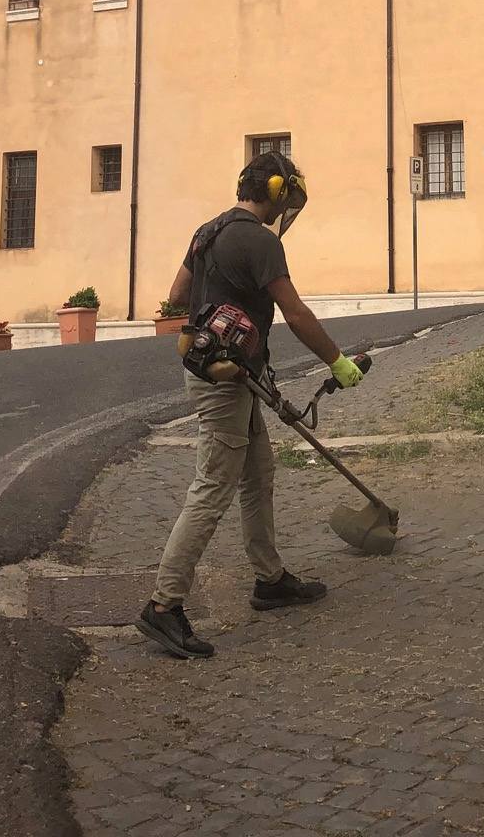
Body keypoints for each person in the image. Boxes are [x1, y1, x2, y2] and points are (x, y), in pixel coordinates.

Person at [136, 151, 365, 660]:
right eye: (291, 201)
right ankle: (163, 605)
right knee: (212, 488)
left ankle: (270, 579)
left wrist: (217, 308)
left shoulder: (207, 231)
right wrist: (337, 361)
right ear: (278, 192)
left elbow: (176, 296)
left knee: (258, 473)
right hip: (224, 384)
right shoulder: (260, 241)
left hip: (232, 374)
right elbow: (297, 313)